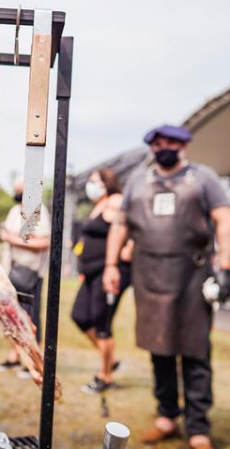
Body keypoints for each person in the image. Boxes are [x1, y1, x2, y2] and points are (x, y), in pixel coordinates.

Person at [103, 125, 230, 449]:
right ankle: (166, 416)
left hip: (192, 275)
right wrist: (110, 265)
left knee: (194, 351)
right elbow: (120, 225)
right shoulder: (138, 180)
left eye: (171, 143)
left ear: (184, 146)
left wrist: (226, 265)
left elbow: (225, 219)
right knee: (158, 348)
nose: (165, 148)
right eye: (159, 143)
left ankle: (198, 427)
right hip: (149, 274)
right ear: (152, 148)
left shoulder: (203, 178)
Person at [71, 168, 132, 394]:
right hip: (91, 272)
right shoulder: (99, 204)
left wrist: (129, 247)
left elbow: (132, 225)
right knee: (79, 316)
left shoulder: (116, 201)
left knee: (101, 322)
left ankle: (104, 376)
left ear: (107, 182)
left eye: (95, 181)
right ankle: (111, 360)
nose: (91, 184)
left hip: (110, 272)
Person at [0, 178, 51, 377]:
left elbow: (43, 242)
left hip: (30, 272)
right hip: (12, 271)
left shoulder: (39, 211)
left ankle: (35, 360)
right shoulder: (13, 211)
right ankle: (15, 356)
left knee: (31, 316)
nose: (17, 190)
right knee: (12, 315)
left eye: (21, 188)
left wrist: (12, 239)